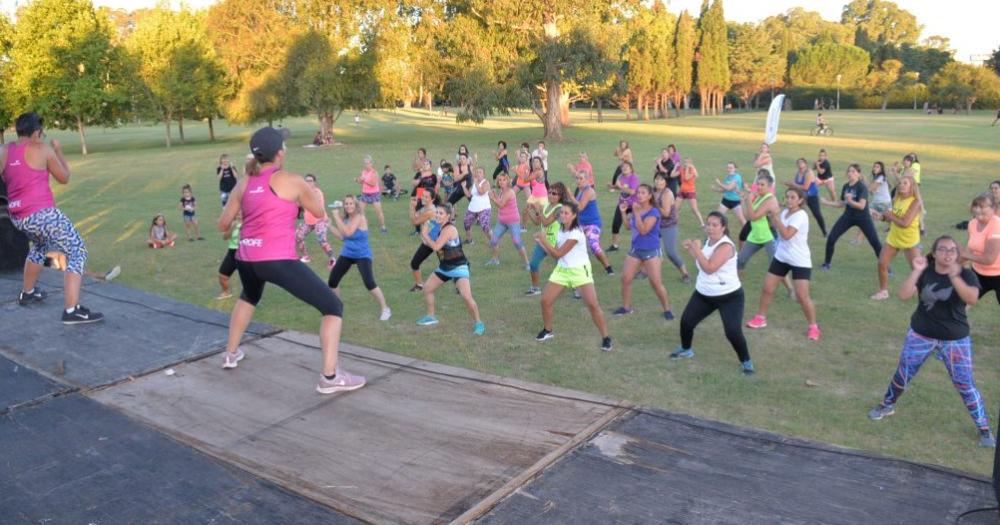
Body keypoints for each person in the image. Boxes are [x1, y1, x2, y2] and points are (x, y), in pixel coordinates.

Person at [218, 127, 364, 394]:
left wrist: (244, 217)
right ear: (280, 153)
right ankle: (330, 378)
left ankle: (230, 354)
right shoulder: (292, 181)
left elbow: (223, 224)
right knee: (333, 307)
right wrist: (298, 202)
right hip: (276, 259)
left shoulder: (244, 182)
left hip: (246, 258)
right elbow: (318, 212)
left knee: (249, 296)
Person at [867, 236, 994, 448]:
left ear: (957, 253)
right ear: (934, 254)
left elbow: (972, 298)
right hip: (921, 334)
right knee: (904, 372)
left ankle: (983, 429)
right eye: (943, 250)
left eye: (953, 250)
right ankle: (887, 405)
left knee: (965, 383)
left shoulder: (966, 274)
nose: (948, 254)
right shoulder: (925, 271)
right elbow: (903, 295)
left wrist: (955, 277)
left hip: (955, 338)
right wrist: (916, 271)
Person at [1, 112, 104, 324]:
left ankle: (28, 292)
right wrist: (58, 151)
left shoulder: (4, 150)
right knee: (77, 251)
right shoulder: (43, 149)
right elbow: (64, 178)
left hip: (18, 216)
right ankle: (71, 310)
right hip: (43, 215)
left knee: (39, 246)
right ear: (37, 132)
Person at [671, 212, 754, 375]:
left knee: (732, 331)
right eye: (708, 224)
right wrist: (692, 251)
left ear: (723, 227)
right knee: (686, 322)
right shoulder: (708, 241)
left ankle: (746, 361)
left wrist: (696, 248)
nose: (710, 228)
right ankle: (686, 349)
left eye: (715, 225)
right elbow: (702, 262)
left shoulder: (726, 246)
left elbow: (709, 268)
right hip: (704, 294)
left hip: (729, 297)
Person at [534, 202, 613, 351]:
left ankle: (606, 338)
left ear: (574, 215)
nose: (562, 215)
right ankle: (548, 330)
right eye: (561, 212)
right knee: (545, 301)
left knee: (593, 305)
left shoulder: (576, 232)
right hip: (562, 270)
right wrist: (541, 243)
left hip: (580, 272)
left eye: (566, 213)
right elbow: (555, 254)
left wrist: (544, 240)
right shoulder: (560, 230)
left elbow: (559, 253)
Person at [746, 187, 821, 340]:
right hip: (782, 256)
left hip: (799, 260)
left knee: (802, 296)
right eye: (787, 197)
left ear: (800, 200)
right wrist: (769, 215)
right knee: (767, 288)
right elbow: (775, 227)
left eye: (793, 197)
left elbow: (786, 235)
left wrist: (776, 217)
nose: (789, 200)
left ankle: (813, 327)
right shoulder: (785, 213)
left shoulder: (801, 215)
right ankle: (761, 318)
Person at [416, 203, 484, 335]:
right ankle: (431, 316)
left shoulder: (449, 229)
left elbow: (435, 246)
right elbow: (428, 243)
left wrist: (425, 234)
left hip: (459, 267)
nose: (437, 215)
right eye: (437, 213)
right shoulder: (437, 226)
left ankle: (479, 323)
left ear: (448, 216)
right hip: (445, 266)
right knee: (428, 288)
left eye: (441, 213)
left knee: (466, 296)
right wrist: (425, 233)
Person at [614, 184, 674, 319]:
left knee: (656, 283)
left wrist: (636, 213)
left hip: (651, 250)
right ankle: (626, 307)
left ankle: (667, 309)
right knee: (625, 278)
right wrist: (623, 212)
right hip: (636, 249)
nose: (639, 195)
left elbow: (643, 230)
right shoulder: (637, 208)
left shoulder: (654, 212)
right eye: (638, 192)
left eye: (643, 193)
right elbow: (628, 226)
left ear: (649, 196)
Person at [327, 195, 391, 321]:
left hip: (362, 255)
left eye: (351, 203)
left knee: (369, 283)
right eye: (346, 204)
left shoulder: (359, 217)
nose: (349, 206)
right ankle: (337, 307)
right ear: (344, 206)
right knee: (332, 281)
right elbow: (342, 236)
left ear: (356, 205)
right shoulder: (346, 219)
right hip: (347, 253)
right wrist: (329, 225)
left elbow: (349, 232)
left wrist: (335, 216)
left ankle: (385, 309)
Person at [819, 164, 882, 272]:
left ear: (858, 174)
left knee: (875, 242)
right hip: (848, 216)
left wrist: (850, 200)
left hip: (863, 218)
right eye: (849, 171)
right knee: (831, 238)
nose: (850, 173)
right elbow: (841, 204)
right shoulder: (846, 187)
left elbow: (862, 206)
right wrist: (827, 202)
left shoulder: (862, 187)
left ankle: (886, 267)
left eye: (853, 171)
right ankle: (827, 264)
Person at [871, 175, 922, 300]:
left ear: (912, 187)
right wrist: (881, 217)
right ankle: (884, 292)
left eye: (905, 183)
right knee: (882, 263)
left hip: (910, 240)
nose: (901, 185)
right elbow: (892, 218)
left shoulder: (916, 202)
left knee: (917, 269)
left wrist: (888, 214)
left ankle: (924, 293)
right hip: (894, 237)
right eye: (900, 183)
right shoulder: (897, 199)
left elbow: (905, 223)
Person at [569, 169, 614, 275]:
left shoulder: (589, 191)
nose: (578, 181)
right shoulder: (580, 190)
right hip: (581, 224)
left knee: (594, 245)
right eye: (577, 178)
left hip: (592, 224)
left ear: (587, 180)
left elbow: (580, 207)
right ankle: (576, 268)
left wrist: (571, 197)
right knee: (571, 243)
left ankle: (608, 268)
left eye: (581, 179)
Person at [525, 182, 566, 295]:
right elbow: (538, 222)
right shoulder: (547, 205)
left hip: (556, 243)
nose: (551, 195)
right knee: (533, 264)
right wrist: (530, 212)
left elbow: (547, 223)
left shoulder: (560, 209)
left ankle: (577, 290)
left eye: (554, 193)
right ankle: (535, 288)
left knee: (564, 266)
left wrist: (538, 210)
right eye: (550, 192)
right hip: (543, 241)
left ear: (560, 196)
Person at [960, 194, 1000, 305]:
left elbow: (989, 259)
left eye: (982, 210)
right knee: (962, 302)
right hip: (978, 273)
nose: (978, 212)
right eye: (975, 207)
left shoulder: (997, 224)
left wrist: (964, 254)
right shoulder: (972, 224)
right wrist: (954, 265)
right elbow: (970, 250)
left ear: (993, 208)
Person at [736, 171, 780, 274]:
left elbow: (754, 217)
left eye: (762, 185)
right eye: (758, 184)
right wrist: (743, 200)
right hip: (756, 235)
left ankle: (791, 289)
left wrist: (748, 200)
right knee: (740, 261)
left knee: (776, 267)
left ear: (769, 187)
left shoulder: (770, 199)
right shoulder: (759, 197)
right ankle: (737, 287)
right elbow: (748, 217)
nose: (759, 187)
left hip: (769, 236)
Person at [486, 172, 530, 268]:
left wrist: (493, 198)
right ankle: (495, 260)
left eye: (504, 180)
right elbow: (500, 201)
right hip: (502, 221)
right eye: (500, 180)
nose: (501, 182)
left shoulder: (510, 192)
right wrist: (495, 195)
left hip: (513, 221)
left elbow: (501, 205)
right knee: (493, 240)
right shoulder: (502, 191)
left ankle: (527, 263)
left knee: (517, 241)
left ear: (508, 181)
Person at [653, 172, 691, 282]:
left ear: (666, 182)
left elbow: (665, 213)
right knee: (651, 249)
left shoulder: (666, 194)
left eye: (661, 180)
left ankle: (685, 274)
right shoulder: (654, 191)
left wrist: (655, 203)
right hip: (655, 225)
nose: (658, 182)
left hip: (668, 226)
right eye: (656, 179)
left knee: (671, 252)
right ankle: (646, 271)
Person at [295, 174, 336, 268]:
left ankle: (333, 259)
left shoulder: (317, 192)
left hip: (320, 220)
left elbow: (312, 203)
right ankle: (306, 256)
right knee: (298, 236)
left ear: (314, 182)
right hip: (308, 221)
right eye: (306, 181)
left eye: (310, 181)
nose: (308, 183)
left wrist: (300, 199)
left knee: (322, 240)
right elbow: (297, 204)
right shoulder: (303, 193)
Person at [853, 161, 892, 245]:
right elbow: (872, 191)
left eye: (877, 167)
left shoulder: (881, 177)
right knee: (867, 219)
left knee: (867, 219)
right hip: (878, 202)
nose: (875, 168)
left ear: (881, 169)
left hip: (882, 203)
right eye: (874, 166)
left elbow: (870, 189)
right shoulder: (877, 178)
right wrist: (864, 181)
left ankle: (858, 240)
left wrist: (863, 181)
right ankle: (858, 239)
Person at [787, 158, 828, 237]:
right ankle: (792, 229)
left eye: (802, 162)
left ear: (805, 164)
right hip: (801, 196)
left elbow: (806, 187)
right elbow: (796, 185)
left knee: (817, 214)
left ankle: (824, 232)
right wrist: (790, 185)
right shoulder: (798, 173)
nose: (800, 164)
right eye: (798, 163)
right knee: (794, 212)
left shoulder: (809, 173)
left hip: (811, 196)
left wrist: (793, 184)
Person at [408, 191, 438, 292]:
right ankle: (419, 285)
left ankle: (460, 285)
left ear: (432, 199)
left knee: (449, 265)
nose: (423, 198)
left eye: (426, 197)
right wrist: (414, 207)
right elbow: (415, 216)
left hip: (435, 242)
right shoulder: (425, 208)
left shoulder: (430, 211)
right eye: (423, 196)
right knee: (415, 263)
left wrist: (412, 207)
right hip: (429, 241)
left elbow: (415, 222)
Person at [608, 160, 639, 251]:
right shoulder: (620, 176)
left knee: (635, 225)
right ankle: (615, 245)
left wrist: (620, 186)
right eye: (623, 167)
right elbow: (619, 187)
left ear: (631, 169)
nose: (624, 168)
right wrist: (613, 186)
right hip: (622, 204)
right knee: (615, 224)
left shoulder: (634, 178)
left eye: (626, 167)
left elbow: (632, 191)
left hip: (634, 205)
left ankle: (637, 245)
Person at [356, 155, 387, 233]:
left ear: (371, 163)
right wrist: (358, 180)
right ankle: (364, 224)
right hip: (365, 193)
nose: (366, 165)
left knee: (378, 211)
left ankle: (383, 227)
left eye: (367, 163)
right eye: (365, 163)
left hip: (374, 194)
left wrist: (364, 180)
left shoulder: (374, 172)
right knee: (360, 210)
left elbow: (373, 183)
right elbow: (361, 182)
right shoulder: (363, 171)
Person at [462, 167, 492, 244]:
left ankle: (493, 241)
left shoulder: (486, 183)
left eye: (480, 172)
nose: (478, 174)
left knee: (485, 227)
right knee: (466, 223)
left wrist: (476, 183)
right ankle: (469, 240)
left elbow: (481, 192)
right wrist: (463, 187)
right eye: (477, 172)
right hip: (472, 207)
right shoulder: (473, 184)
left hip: (484, 208)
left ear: (484, 174)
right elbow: (468, 195)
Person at [713, 162, 747, 228]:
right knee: (717, 217)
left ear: (735, 169)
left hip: (736, 201)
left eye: (731, 168)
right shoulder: (727, 177)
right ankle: (714, 232)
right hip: (726, 200)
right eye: (728, 168)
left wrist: (719, 183)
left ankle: (750, 233)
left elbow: (729, 188)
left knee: (742, 219)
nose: (729, 169)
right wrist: (716, 189)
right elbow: (724, 189)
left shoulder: (737, 177)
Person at [673, 157, 705, 227]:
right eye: (684, 162)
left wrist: (688, 168)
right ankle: (675, 222)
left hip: (690, 192)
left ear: (690, 163)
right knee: (675, 208)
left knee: (694, 209)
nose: (685, 163)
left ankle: (702, 223)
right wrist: (675, 167)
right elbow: (672, 175)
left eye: (687, 162)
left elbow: (686, 178)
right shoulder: (682, 169)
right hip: (682, 191)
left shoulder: (692, 171)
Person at [217, 213, 241, 299]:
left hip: (245, 253)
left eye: (241, 212)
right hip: (232, 252)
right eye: (237, 213)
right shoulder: (232, 223)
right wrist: (232, 227)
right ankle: (226, 292)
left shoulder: (249, 223)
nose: (239, 214)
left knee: (249, 279)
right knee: (222, 276)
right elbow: (224, 237)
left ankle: (253, 297)